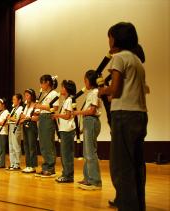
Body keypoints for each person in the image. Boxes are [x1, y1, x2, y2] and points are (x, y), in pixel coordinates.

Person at [99, 22, 148, 211]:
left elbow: (116, 90)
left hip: (123, 116)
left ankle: (126, 206)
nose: (109, 41)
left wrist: (102, 90)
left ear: (117, 38)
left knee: (121, 167)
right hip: (140, 115)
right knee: (136, 165)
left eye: (110, 37)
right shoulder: (137, 61)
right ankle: (138, 205)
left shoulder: (119, 58)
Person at [73, 70, 102, 190]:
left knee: (90, 152)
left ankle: (95, 181)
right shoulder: (91, 93)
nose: (84, 82)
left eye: (85, 80)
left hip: (91, 120)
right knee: (87, 152)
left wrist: (77, 112)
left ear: (91, 80)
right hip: (88, 121)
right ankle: (88, 178)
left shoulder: (95, 92)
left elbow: (92, 111)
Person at [34, 75, 59, 178]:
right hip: (43, 118)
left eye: (42, 83)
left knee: (48, 143)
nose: (41, 85)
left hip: (48, 118)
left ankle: (50, 168)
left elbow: (55, 107)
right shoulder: (45, 94)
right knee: (43, 144)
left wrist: (40, 106)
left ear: (48, 82)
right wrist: (37, 111)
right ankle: (45, 167)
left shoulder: (54, 94)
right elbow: (44, 108)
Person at [53, 80, 76, 183]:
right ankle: (65, 173)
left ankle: (68, 175)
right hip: (64, 130)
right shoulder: (66, 100)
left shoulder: (69, 100)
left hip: (67, 130)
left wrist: (57, 115)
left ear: (67, 89)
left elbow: (67, 116)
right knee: (64, 153)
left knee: (66, 154)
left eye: (62, 87)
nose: (61, 89)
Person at [21, 89, 38, 173]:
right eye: (25, 95)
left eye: (28, 95)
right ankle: (28, 165)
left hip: (32, 125)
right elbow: (23, 116)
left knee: (32, 146)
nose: (26, 97)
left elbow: (37, 118)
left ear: (32, 96)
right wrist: (23, 117)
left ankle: (33, 166)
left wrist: (29, 117)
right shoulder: (26, 106)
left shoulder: (35, 105)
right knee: (26, 146)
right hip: (25, 125)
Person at [6, 94, 24, 171]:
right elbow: (11, 118)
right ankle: (12, 163)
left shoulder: (21, 108)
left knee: (16, 145)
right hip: (11, 126)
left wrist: (10, 118)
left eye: (14, 99)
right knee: (11, 145)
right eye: (12, 99)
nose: (13, 101)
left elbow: (18, 119)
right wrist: (9, 118)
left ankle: (17, 163)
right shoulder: (13, 109)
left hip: (16, 127)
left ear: (19, 100)